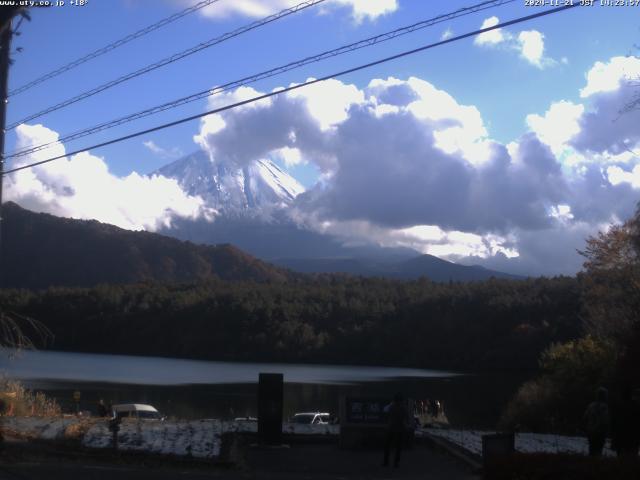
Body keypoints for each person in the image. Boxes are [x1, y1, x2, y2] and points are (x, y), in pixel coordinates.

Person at [610, 386, 640, 457]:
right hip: (632, 438)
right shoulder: (635, 406)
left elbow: (613, 422)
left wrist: (613, 438)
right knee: (632, 459)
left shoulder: (617, 406)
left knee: (620, 458)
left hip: (620, 437)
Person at [383, 393, 409, 468]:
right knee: (398, 447)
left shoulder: (391, 407)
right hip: (399, 429)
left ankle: (386, 462)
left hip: (391, 428)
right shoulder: (403, 408)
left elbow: (385, 411)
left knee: (388, 446)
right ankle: (395, 463)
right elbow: (405, 419)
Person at [583, 387, 610, 457]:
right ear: (604, 396)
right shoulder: (604, 407)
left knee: (591, 449)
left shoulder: (591, 405)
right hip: (600, 432)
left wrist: (587, 428)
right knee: (598, 451)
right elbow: (605, 421)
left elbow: (585, 417)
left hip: (591, 431)